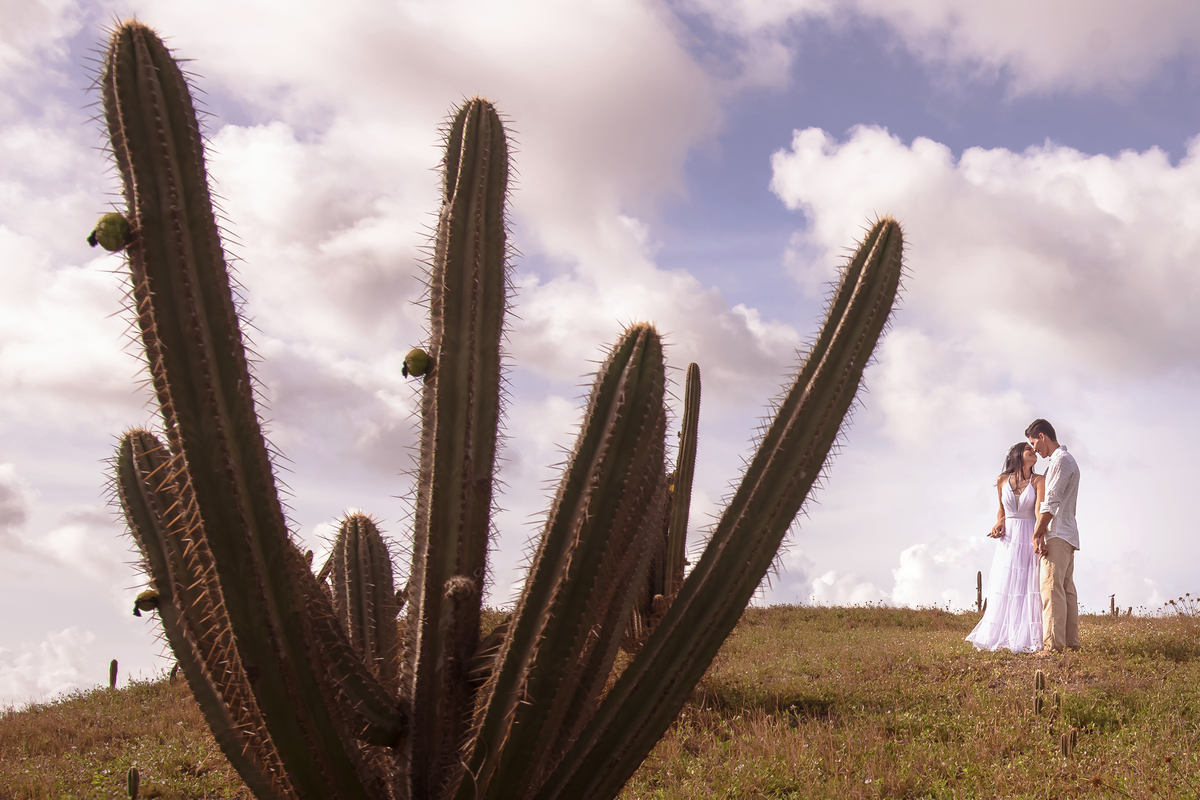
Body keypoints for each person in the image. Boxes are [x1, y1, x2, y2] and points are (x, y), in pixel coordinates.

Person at [965, 442, 1044, 652]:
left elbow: (1039, 512)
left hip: (1028, 534)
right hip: (1008, 538)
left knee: (1028, 584)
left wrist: (1038, 536)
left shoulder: (1039, 480)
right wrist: (1000, 522)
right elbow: (1001, 510)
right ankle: (1003, 635)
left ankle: (1026, 637)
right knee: (1006, 582)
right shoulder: (1002, 480)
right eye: (1029, 449)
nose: (1034, 452)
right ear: (1018, 453)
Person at [1026, 418, 1080, 654]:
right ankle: (1070, 644)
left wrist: (1038, 533)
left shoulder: (1060, 461)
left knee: (1051, 590)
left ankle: (1053, 646)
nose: (1034, 448)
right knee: (1066, 590)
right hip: (1066, 534)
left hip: (1056, 534)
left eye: (1033, 442)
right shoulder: (1065, 461)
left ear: (1042, 436)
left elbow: (1051, 501)